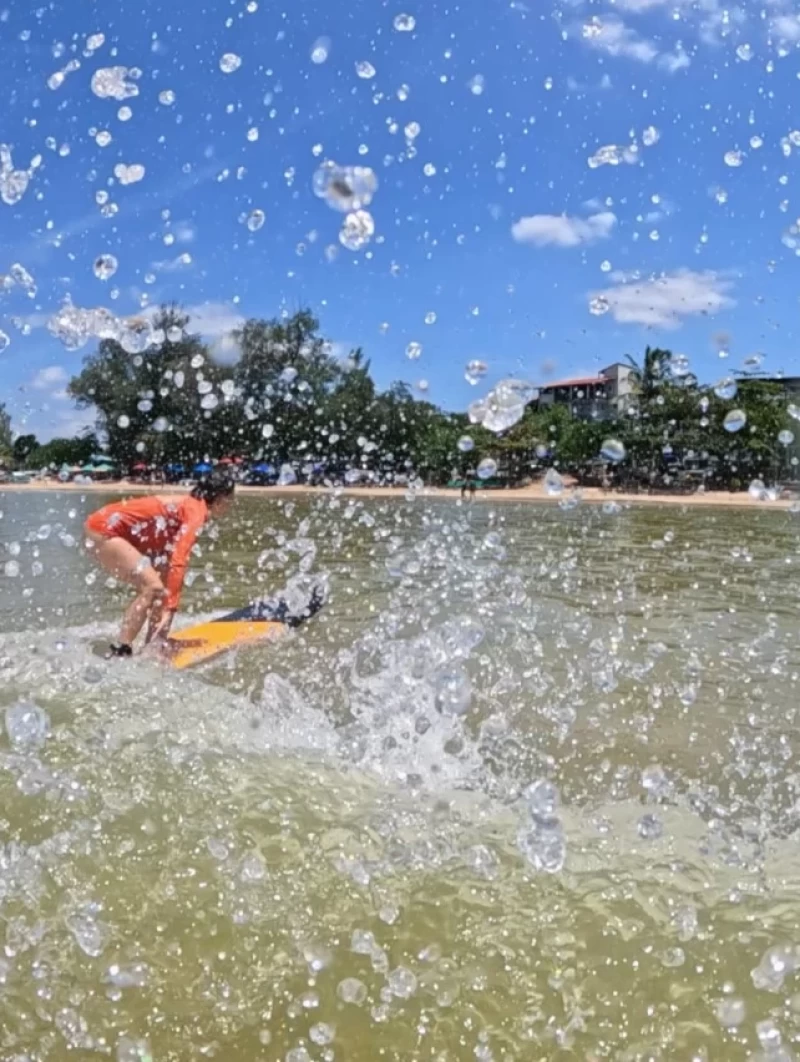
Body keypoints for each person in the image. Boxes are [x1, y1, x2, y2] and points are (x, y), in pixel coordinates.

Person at [84, 469, 235, 658]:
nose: (231, 505)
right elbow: (180, 560)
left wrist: (169, 601)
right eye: (230, 500)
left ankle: (155, 642)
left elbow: (172, 562)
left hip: (107, 527)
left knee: (162, 584)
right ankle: (121, 650)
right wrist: (171, 607)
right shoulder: (196, 511)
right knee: (154, 587)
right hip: (103, 529)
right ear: (221, 498)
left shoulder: (191, 505)